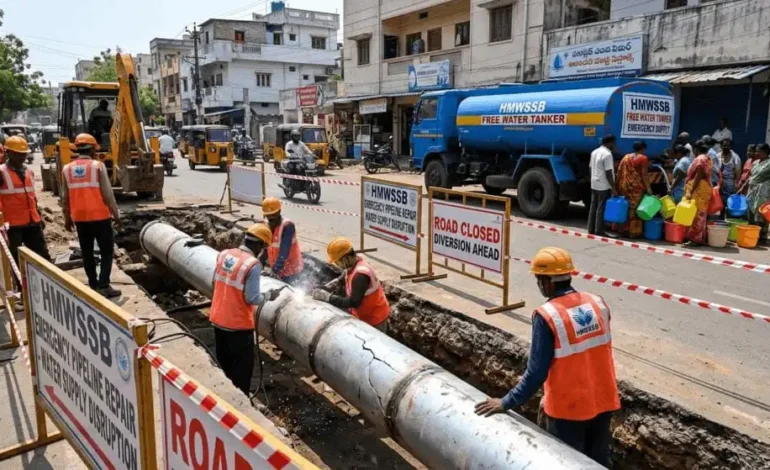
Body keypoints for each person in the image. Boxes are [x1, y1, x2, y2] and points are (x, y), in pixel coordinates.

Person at [474, 247, 619, 466]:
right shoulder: (597, 303)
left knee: (567, 464)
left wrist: (506, 402)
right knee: (597, 462)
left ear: (547, 282)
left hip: (569, 410)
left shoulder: (547, 315)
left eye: (539, 280)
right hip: (604, 400)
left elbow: (536, 372)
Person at [209, 224, 279, 394]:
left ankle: (225, 401)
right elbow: (252, 298)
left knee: (224, 366)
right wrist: (269, 296)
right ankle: (241, 406)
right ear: (260, 245)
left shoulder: (225, 254)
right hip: (238, 327)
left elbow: (214, 282)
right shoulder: (252, 265)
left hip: (218, 320)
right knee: (241, 370)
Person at [61, 134, 123, 298]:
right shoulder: (98, 166)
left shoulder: (67, 169)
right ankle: (104, 285)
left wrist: (67, 218)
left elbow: (64, 197)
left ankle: (93, 284)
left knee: (87, 252)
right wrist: (116, 215)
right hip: (100, 216)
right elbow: (108, 195)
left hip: (80, 218)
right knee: (106, 251)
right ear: (92, 149)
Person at [311, 237, 390, 332]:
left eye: (337, 262)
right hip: (364, 315)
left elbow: (354, 302)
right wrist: (332, 284)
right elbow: (346, 274)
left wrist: (328, 297)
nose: (336, 265)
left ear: (345, 259)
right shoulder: (354, 263)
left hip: (375, 319)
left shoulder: (360, 276)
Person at [0, 136, 51, 265]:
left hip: (32, 223)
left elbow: (32, 196)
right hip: (13, 226)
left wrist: (39, 216)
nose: (22, 157)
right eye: (18, 154)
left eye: (24, 154)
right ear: (9, 153)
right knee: (16, 261)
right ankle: (20, 285)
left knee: (43, 258)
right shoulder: (1, 172)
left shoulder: (28, 171)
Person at [259, 197, 304, 283]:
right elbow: (266, 247)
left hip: (291, 270)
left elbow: (285, 250)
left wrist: (275, 270)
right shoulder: (266, 224)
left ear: (279, 212)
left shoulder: (287, 226)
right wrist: (260, 262)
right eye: (268, 216)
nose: (271, 218)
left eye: (273, 215)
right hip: (277, 269)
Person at [615, 141, 652, 238]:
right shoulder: (643, 158)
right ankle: (632, 232)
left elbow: (619, 171)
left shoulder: (626, 157)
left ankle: (621, 229)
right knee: (634, 210)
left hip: (624, 186)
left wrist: (617, 186)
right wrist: (648, 188)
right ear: (642, 149)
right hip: (636, 188)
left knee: (625, 207)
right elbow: (644, 174)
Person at [683, 140, 714, 247]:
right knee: (701, 214)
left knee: (696, 215)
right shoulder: (708, 158)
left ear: (696, 149)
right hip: (704, 189)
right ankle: (698, 237)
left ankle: (696, 239)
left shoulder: (700, 159)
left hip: (699, 189)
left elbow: (698, 175)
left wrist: (691, 190)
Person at [739, 143, 770, 244]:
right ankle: (752, 234)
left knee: (761, 212)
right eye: (756, 151)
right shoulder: (755, 162)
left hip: (763, 191)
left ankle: (763, 236)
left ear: (766, 152)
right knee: (750, 211)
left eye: (759, 151)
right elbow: (750, 177)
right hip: (752, 190)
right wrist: (743, 187)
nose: (757, 153)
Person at [587, 135, 617, 236]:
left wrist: (593, 179)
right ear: (610, 143)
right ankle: (599, 230)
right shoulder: (607, 154)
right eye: (613, 143)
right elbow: (608, 172)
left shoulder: (594, 152)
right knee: (601, 207)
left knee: (593, 205)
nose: (614, 145)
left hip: (594, 182)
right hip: (603, 184)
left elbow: (590, 168)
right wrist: (613, 188)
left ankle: (590, 228)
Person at [718, 139, 742, 209]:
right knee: (719, 199)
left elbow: (738, 171)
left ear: (731, 146)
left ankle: (728, 214)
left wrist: (737, 184)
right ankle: (721, 215)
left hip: (730, 182)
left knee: (729, 200)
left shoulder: (735, 157)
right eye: (724, 145)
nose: (726, 147)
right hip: (720, 181)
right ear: (721, 146)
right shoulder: (718, 155)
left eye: (728, 146)